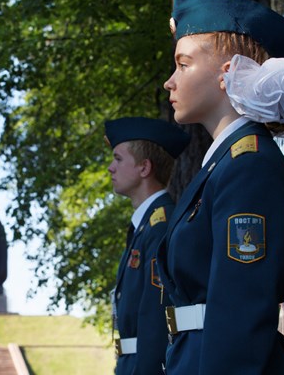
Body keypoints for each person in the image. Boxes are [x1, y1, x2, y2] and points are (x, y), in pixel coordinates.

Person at [157, 0, 284, 374]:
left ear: (227, 70)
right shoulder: (225, 164)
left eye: (183, 65)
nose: (170, 81)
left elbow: (240, 306)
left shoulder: (247, 166)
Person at [105, 116, 190, 375]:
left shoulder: (160, 226)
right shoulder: (145, 226)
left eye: (118, 159)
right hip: (131, 363)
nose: (110, 167)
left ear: (144, 168)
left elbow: (155, 317)